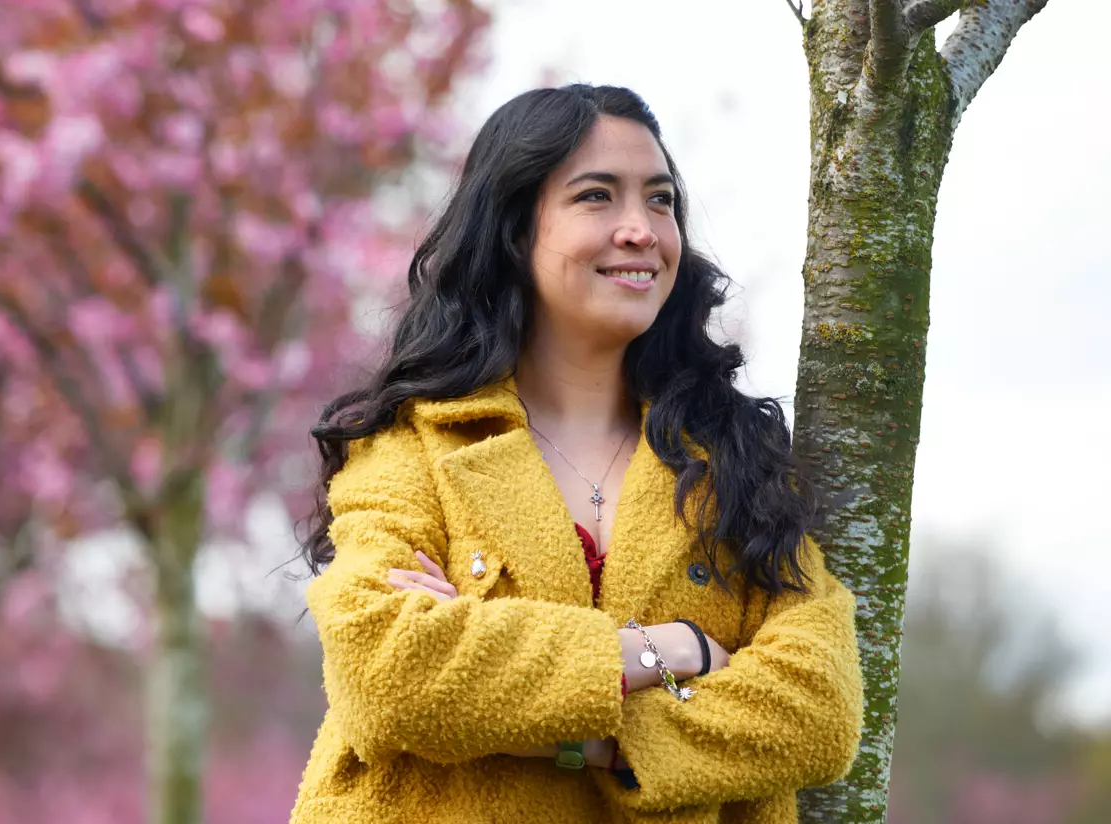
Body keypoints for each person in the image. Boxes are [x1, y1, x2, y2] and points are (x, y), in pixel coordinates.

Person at [288, 84, 864, 824]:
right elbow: (386, 675)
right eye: (596, 197)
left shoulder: (736, 466)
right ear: (513, 230)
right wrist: (675, 648)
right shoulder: (411, 446)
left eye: (659, 201)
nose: (640, 230)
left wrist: (577, 741)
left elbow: (819, 711)